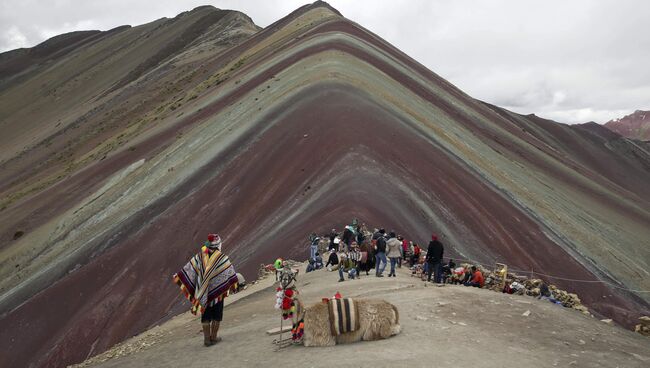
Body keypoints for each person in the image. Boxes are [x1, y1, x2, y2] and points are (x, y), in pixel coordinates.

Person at [173, 233, 238, 346]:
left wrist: (179, 276)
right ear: (218, 245)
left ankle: (206, 340)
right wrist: (234, 284)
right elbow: (229, 271)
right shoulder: (222, 258)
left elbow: (190, 269)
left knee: (206, 314)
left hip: (203, 293)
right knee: (217, 313)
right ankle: (214, 337)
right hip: (217, 293)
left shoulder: (199, 257)